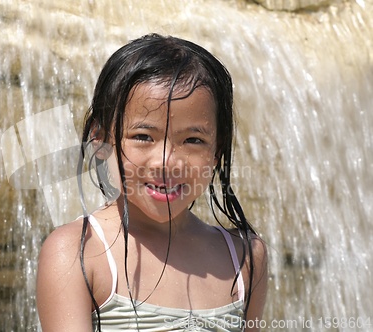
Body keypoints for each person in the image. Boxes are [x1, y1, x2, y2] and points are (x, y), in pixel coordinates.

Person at [36, 33, 267, 332]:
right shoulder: (78, 253)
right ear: (101, 139)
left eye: (193, 140)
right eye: (143, 137)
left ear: (216, 150)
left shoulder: (245, 257)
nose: (166, 162)